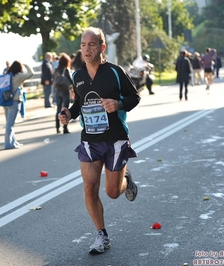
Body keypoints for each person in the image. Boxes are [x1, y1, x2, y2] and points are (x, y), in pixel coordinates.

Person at [58, 27, 140, 254]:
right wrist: (68, 115)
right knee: (89, 187)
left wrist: (119, 104)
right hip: (90, 140)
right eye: (83, 45)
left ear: (102, 47)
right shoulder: (78, 76)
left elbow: (135, 97)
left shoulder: (115, 72)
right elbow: (79, 104)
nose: (86, 49)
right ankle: (101, 235)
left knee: (113, 192)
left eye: (91, 44)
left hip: (115, 139)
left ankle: (126, 180)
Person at [4, 61, 33, 149]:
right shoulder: (18, 76)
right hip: (14, 101)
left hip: (5, 101)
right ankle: (8, 144)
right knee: (10, 124)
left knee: (9, 123)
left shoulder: (7, 75)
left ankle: (13, 142)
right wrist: (26, 64)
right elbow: (31, 73)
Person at [53, 53, 73, 134]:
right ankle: (65, 128)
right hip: (65, 91)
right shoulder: (66, 69)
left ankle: (57, 127)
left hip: (57, 91)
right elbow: (71, 80)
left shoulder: (56, 70)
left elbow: (53, 80)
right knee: (65, 109)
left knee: (58, 109)